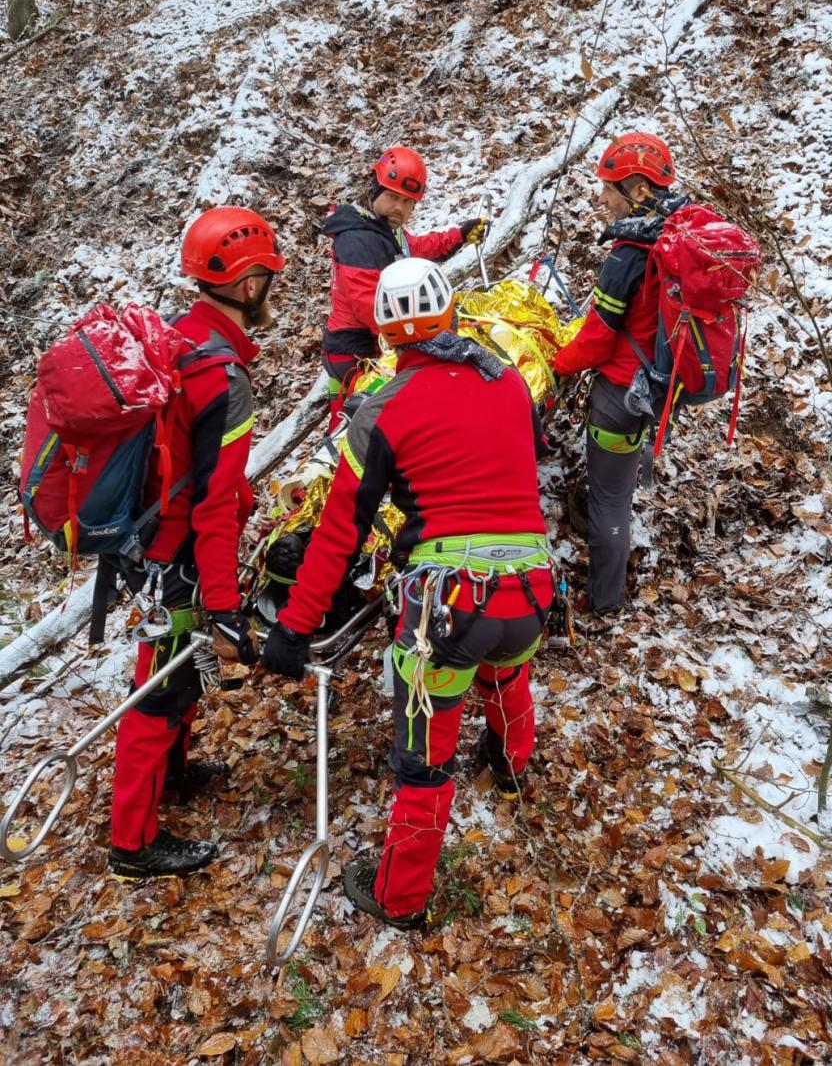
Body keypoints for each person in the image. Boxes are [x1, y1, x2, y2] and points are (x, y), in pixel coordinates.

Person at [262, 257, 553, 928]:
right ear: (449, 312)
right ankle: (510, 762)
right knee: (506, 671)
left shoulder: (381, 413)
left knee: (423, 762)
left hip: (447, 610)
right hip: (531, 590)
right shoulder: (506, 379)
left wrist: (295, 628)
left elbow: (339, 535)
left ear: (387, 336)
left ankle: (399, 898)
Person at [108, 207, 286, 880]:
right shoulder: (226, 381)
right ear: (246, 286)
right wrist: (225, 604)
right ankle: (132, 842)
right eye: (268, 276)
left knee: (176, 668)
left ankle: (172, 777)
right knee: (157, 687)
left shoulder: (181, 334)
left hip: (150, 536)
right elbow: (214, 504)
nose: (273, 286)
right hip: (174, 551)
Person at [552, 132, 691, 618]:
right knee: (621, 482)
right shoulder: (675, 233)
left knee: (608, 501)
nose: (602, 197)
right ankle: (637, 471)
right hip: (655, 383)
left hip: (619, 397)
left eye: (608, 187)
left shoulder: (630, 252)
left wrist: (554, 363)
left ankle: (605, 602)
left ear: (636, 189)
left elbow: (597, 341)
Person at [322, 146, 487, 406]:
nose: (399, 208)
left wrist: (459, 236)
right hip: (354, 350)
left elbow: (416, 248)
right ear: (374, 189)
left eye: (407, 202)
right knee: (354, 421)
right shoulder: (356, 239)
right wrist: (416, 343)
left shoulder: (384, 228)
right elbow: (370, 306)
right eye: (392, 196)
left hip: (378, 340)